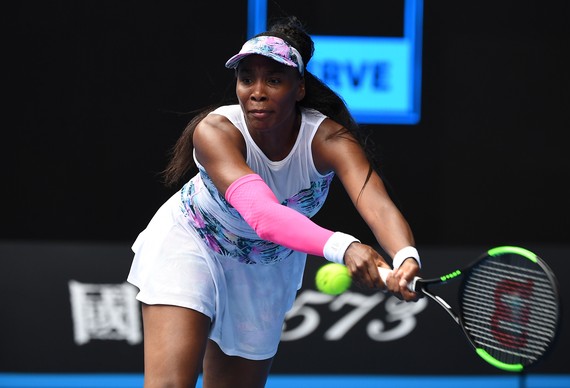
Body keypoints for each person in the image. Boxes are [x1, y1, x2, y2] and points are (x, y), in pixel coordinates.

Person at [127, 15, 422, 388]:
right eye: (246, 78)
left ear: (299, 88)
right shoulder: (215, 131)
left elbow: (377, 204)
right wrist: (344, 247)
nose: (257, 91)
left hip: (264, 268)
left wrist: (406, 257)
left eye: (275, 80)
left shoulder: (330, 140)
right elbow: (262, 215)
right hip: (192, 242)